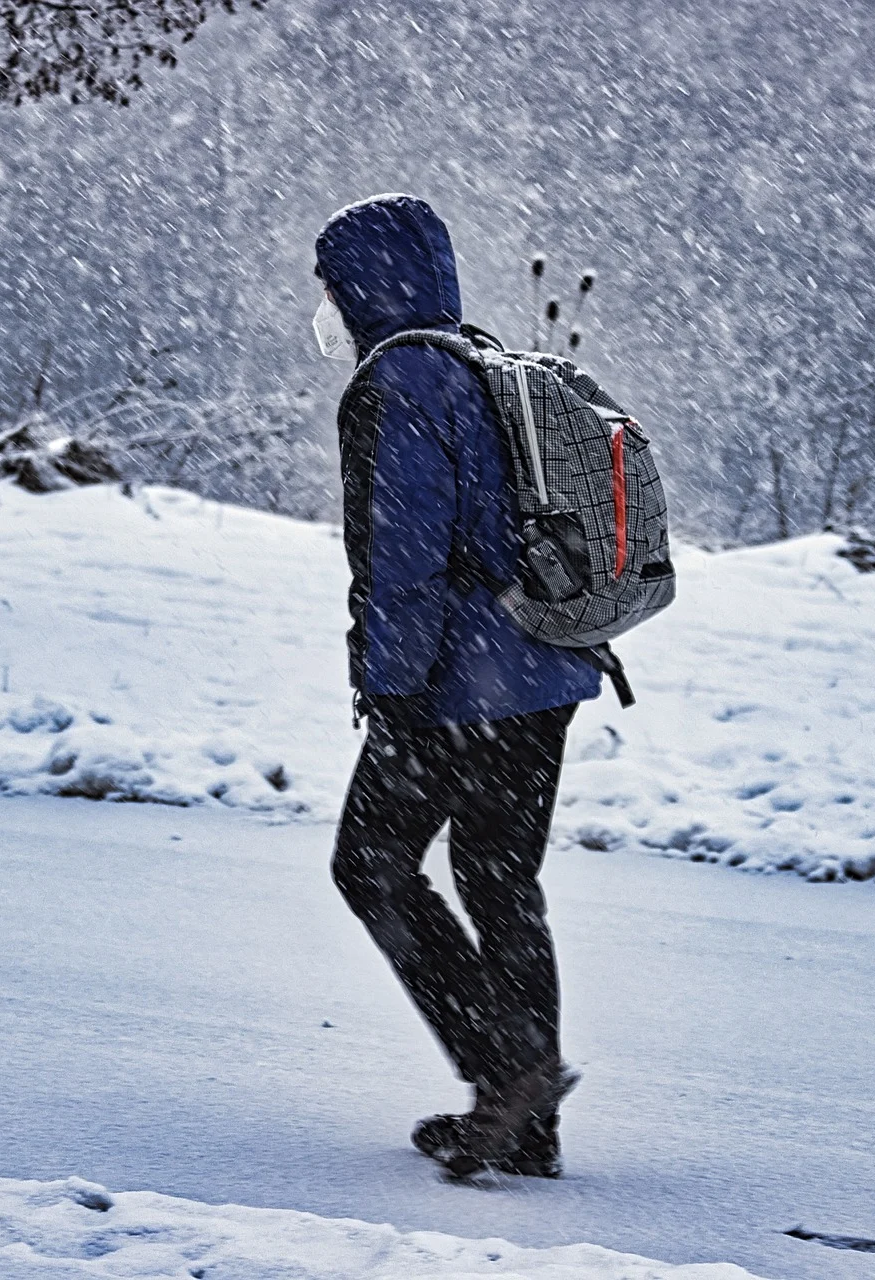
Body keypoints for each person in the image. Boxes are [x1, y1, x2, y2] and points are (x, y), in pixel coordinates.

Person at [315, 194, 601, 1178]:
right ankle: (527, 1127)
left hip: (457, 685)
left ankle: (506, 1071)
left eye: (331, 288)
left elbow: (404, 557)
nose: (328, 308)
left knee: (371, 866)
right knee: (500, 880)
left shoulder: (398, 381)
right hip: (546, 667)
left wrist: (391, 694)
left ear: (362, 287)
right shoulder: (483, 362)